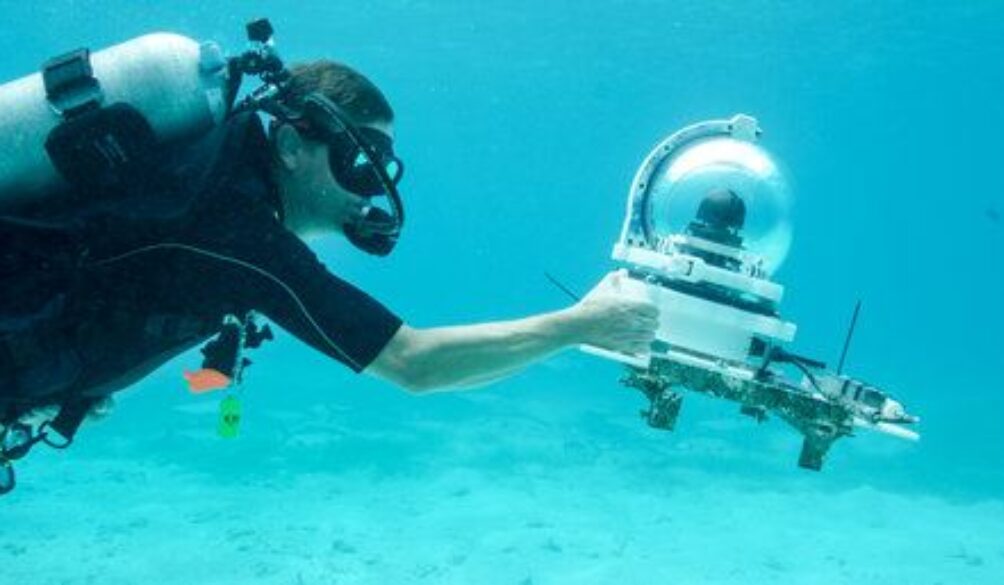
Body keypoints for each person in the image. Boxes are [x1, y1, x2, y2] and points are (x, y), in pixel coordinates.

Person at [0, 60, 658, 469]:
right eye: (357, 162)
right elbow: (415, 363)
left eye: (378, 170)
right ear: (289, 143)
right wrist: (579, 325)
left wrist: (82, 382)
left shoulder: (205, 186)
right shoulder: (241, 232)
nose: (366, 191)